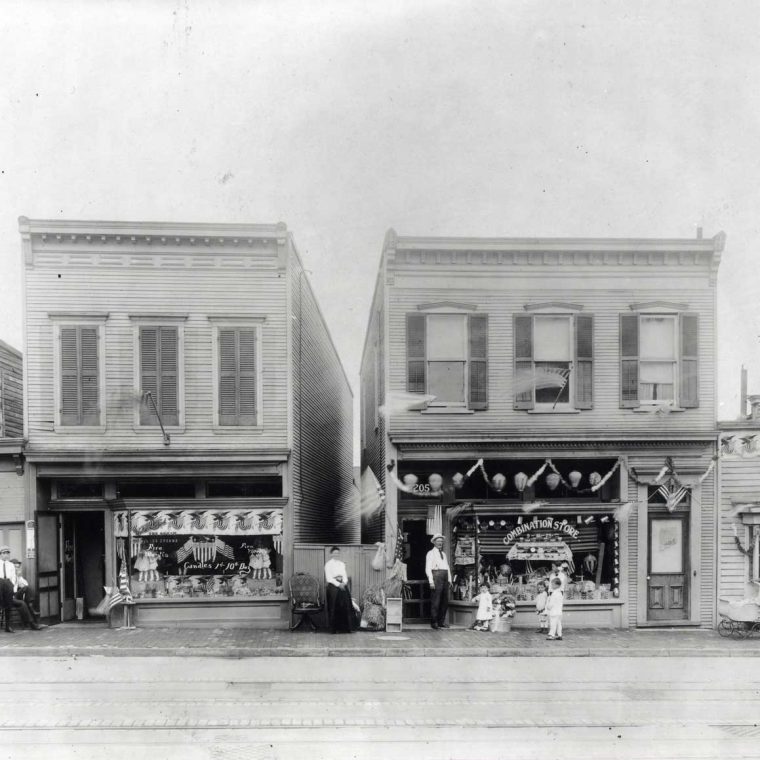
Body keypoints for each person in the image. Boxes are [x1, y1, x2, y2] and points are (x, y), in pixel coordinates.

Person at [425, 534, 452, 629]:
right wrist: (431, 581)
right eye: (438, 541)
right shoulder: (430, 553)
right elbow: (428, 568)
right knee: (436, 601)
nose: (440, 543)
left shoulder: (443, 554)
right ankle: (434, 622)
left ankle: (441, 621)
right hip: (436, 576)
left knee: (444, 601)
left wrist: (449, 579)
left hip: (444, 576)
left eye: (441, 541)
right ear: (434, 542)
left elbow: (447, 567)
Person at [324, 546, 353, 634]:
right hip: (333, 586)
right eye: (334, 553)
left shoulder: (341, 564)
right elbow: (329, 578)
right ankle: (333, 629)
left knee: (346, 605)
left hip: (343, 585)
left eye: (337, 553)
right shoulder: (328, 564)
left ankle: (345, 628)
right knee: (334, 606)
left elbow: (344, 575)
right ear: (331, 554)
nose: (336, 555)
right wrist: (338, 584)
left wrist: (344, 583)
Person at [9, 559, 41, 631]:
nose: (16, 568)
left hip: (15, 595)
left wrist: (19, 577)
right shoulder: (8, 576)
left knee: (26, 588)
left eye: (18, 567)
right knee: (23, 603)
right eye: (15, 567)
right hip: (9, 596)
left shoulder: (16, 576)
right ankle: (32, 623)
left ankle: (30, 605)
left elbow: (26, 584)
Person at [0, 546, 16, 632]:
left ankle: (8, 626)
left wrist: (12, 586)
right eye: (3, 553)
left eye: (7, 553)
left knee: (8, 605)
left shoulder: (11, 565)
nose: (6, 555)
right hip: (0, 584)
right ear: (0, 554)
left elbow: (13, 577)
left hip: (8, 585)